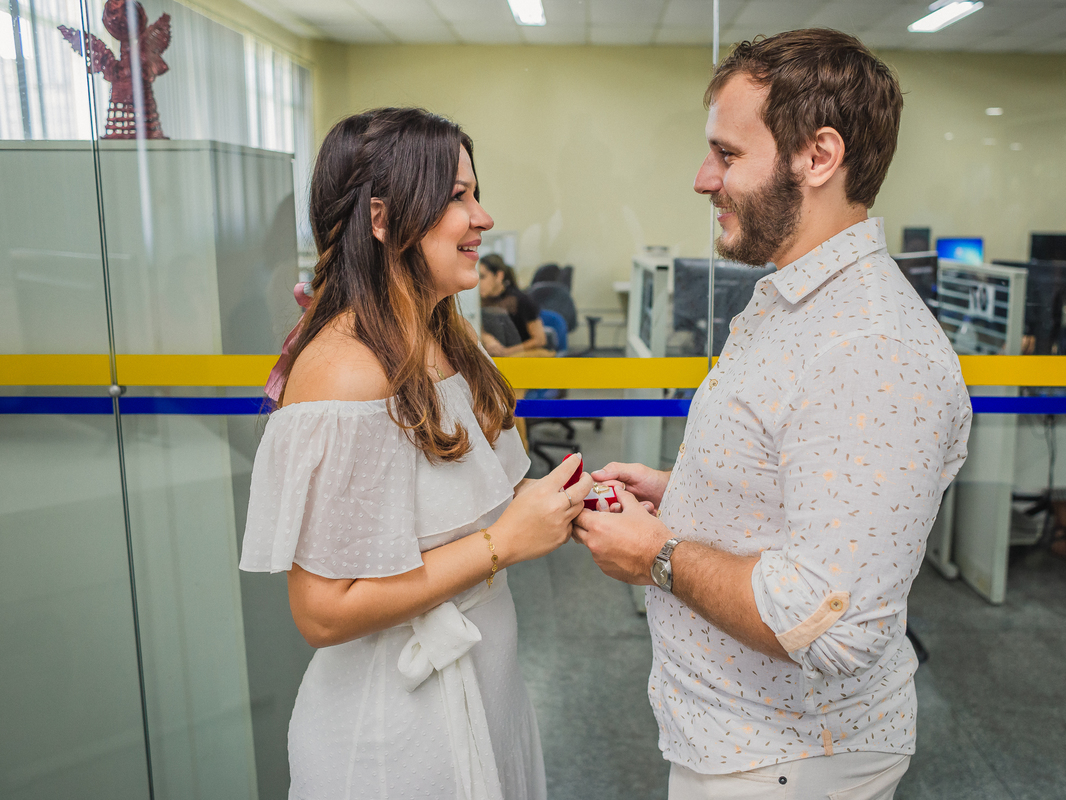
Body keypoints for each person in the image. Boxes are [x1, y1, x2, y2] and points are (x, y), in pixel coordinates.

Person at [573, 30, 973, 799]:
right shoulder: (792, 299)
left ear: (818, 156)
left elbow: (833, 625)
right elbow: (800, 484)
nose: (703, 178)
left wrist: (656, 555)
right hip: (740, 741)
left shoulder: (872, 349)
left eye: (727, 155)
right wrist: (687, 496)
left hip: (787, 762)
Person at [239, 107, 594, 799]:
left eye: (473, 192)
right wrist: (501, 546)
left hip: (483, 693)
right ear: (381, 219)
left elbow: (483, 500)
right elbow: (323, 612)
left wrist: (577, 498)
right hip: (395, 742)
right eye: (456, 197)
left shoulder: (445, 337)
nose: (482, 217)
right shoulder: (345, 372)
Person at [478, 253, 549, 356]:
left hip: (519, 357)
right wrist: (485, 337)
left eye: (482, 277)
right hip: (492, 357)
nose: (478, 282)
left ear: (499, 276)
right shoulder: (477, 302)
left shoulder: (521, 300)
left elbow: (540, 340)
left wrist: (507, 352)